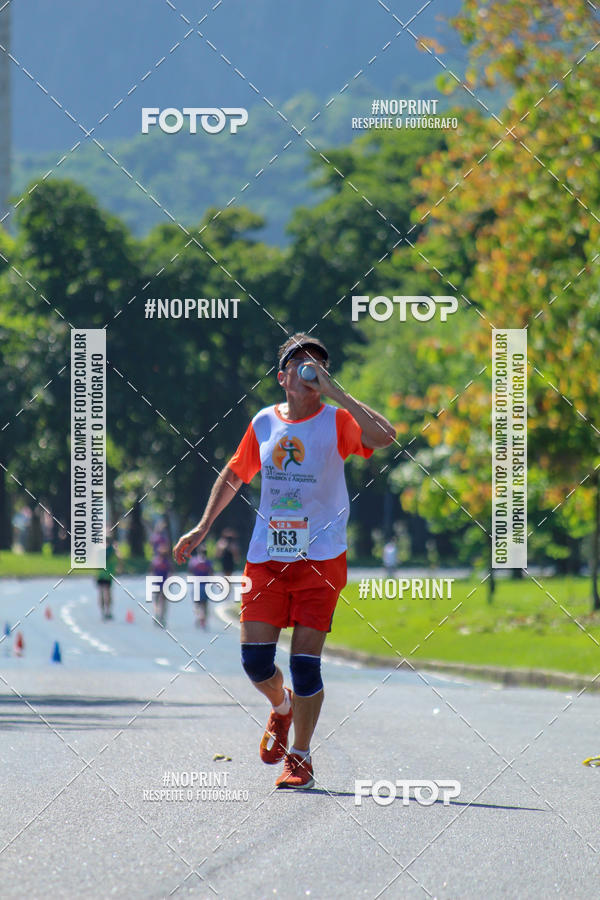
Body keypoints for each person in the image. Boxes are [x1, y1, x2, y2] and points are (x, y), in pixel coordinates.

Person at [174, 333, 395, 789]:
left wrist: (335, 392)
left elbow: (385, 436)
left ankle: (301, 755)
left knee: (305, 665)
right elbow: (236, 473)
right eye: (301, 365)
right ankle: (281, 708)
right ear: (283, 377)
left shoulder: (338, 421)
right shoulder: (263, 423)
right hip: (267, 558)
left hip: (322, 559)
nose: (309, 372)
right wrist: (202, 527)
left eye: (318, 366)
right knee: (255, 661)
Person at [188, 545, 213, 628]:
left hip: (197, 585)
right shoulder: (208, 562)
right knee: (205, 604)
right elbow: (211, 573)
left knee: (197, 604)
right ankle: (203, 619)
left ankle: (199, 616)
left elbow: (190, 572)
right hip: (206, 585)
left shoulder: (194, 561)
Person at [96, 535, 118, 620]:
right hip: (108, 575)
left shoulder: (99, 550)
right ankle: (108, 611)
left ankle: (102, 611)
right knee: (107, 593)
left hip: (100, 574)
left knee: (101, 592)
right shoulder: (112, 550)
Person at [151, 543, 171, 627]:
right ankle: (162, 617)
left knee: (156, 601)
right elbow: (171, 573)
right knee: (163, 602)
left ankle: (157, 615)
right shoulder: (168, 563)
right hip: (165, 584)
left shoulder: (155, 561)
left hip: (156, 584)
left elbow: (151, 572)